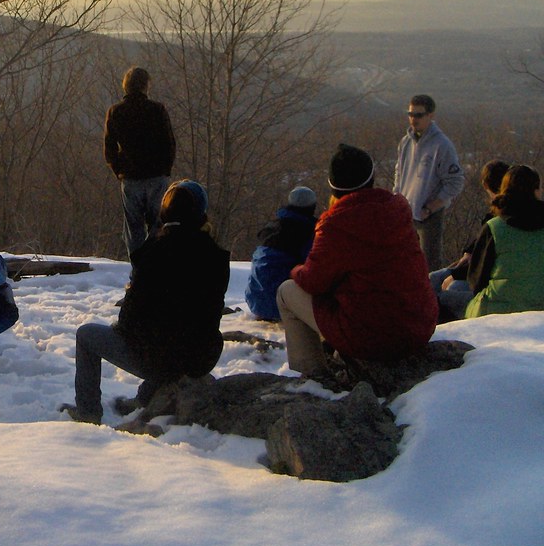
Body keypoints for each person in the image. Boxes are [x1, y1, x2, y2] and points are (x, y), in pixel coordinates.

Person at [60, 180, 229, 424]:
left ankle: (88, 412)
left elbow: (131, 318)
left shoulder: (154, 252)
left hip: (162, 359)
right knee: (170, 334)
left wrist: (120, 330)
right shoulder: (216, 255)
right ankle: (145, 399)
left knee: (87, 335)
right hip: (200, 356)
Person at [277, 144, 437, 380]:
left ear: (333, 187)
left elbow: (313, 282)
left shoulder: (335, 225)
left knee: (286, 292)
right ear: (371, 178)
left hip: (371, 339)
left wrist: (295, 270)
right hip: (419, 327)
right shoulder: (398, 210)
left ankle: (313, 376)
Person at [103, 66, 176, 259]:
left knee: (133, 228)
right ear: (145, 86)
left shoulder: (116, 112)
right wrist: (165, 169)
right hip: (156, 177)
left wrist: (119, 171)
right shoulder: (157, 110)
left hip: (130, 179)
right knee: (157, 225)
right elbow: (169, 143)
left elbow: (109, 149)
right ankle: (155, 267)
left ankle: (138, 271)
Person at [461, 165, 544, 319]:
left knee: (448, 295)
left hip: (497, 312)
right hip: (539, 309)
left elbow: (475, 281)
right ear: (536, 191)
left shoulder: (494, 228)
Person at [393, 94, 465, 270]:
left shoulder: (442, 145)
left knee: (429, 264)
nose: (413, 119)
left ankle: (432, 297)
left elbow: (455, 181)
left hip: (428, 216)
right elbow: (399, 174)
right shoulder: (405, 142)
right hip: (406, 213)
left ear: (430, 115)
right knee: (404, 261)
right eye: (410, 114)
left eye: (418, 115)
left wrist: (432, 207)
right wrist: (396, 200)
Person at [432, 159, 508, 320]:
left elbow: (485, 260)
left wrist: (457, 274)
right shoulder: (496, 215)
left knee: (449, 290)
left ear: (486, 185)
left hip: (482, 277)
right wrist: (468, 251)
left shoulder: (503, 220)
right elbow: (481, 243)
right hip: (475, 269)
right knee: (432, 279)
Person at [244, 186, 319, 321]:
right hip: (281, 304)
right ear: (312, 207)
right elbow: (314, 269)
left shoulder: (271, 228)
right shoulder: (308, 232)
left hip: (255, 301)